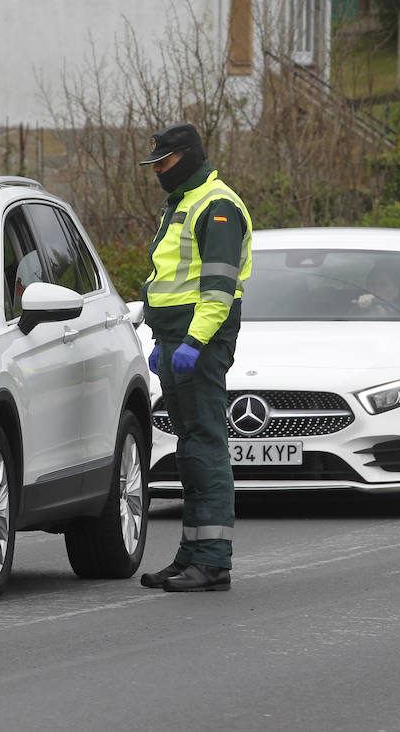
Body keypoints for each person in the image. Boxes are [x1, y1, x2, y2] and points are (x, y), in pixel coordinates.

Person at [137, 123, 252, 593]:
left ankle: (213, 562)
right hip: (176, 340)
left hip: (198, 341)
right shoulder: (182, 201)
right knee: (189, 450)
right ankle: (191, 555)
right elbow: (172, 279)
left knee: (205, 447)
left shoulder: (217, 205)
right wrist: (164, 340)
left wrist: (193, 342)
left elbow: (219, 289)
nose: (158, 172)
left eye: (163, 163)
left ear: (186, 156)